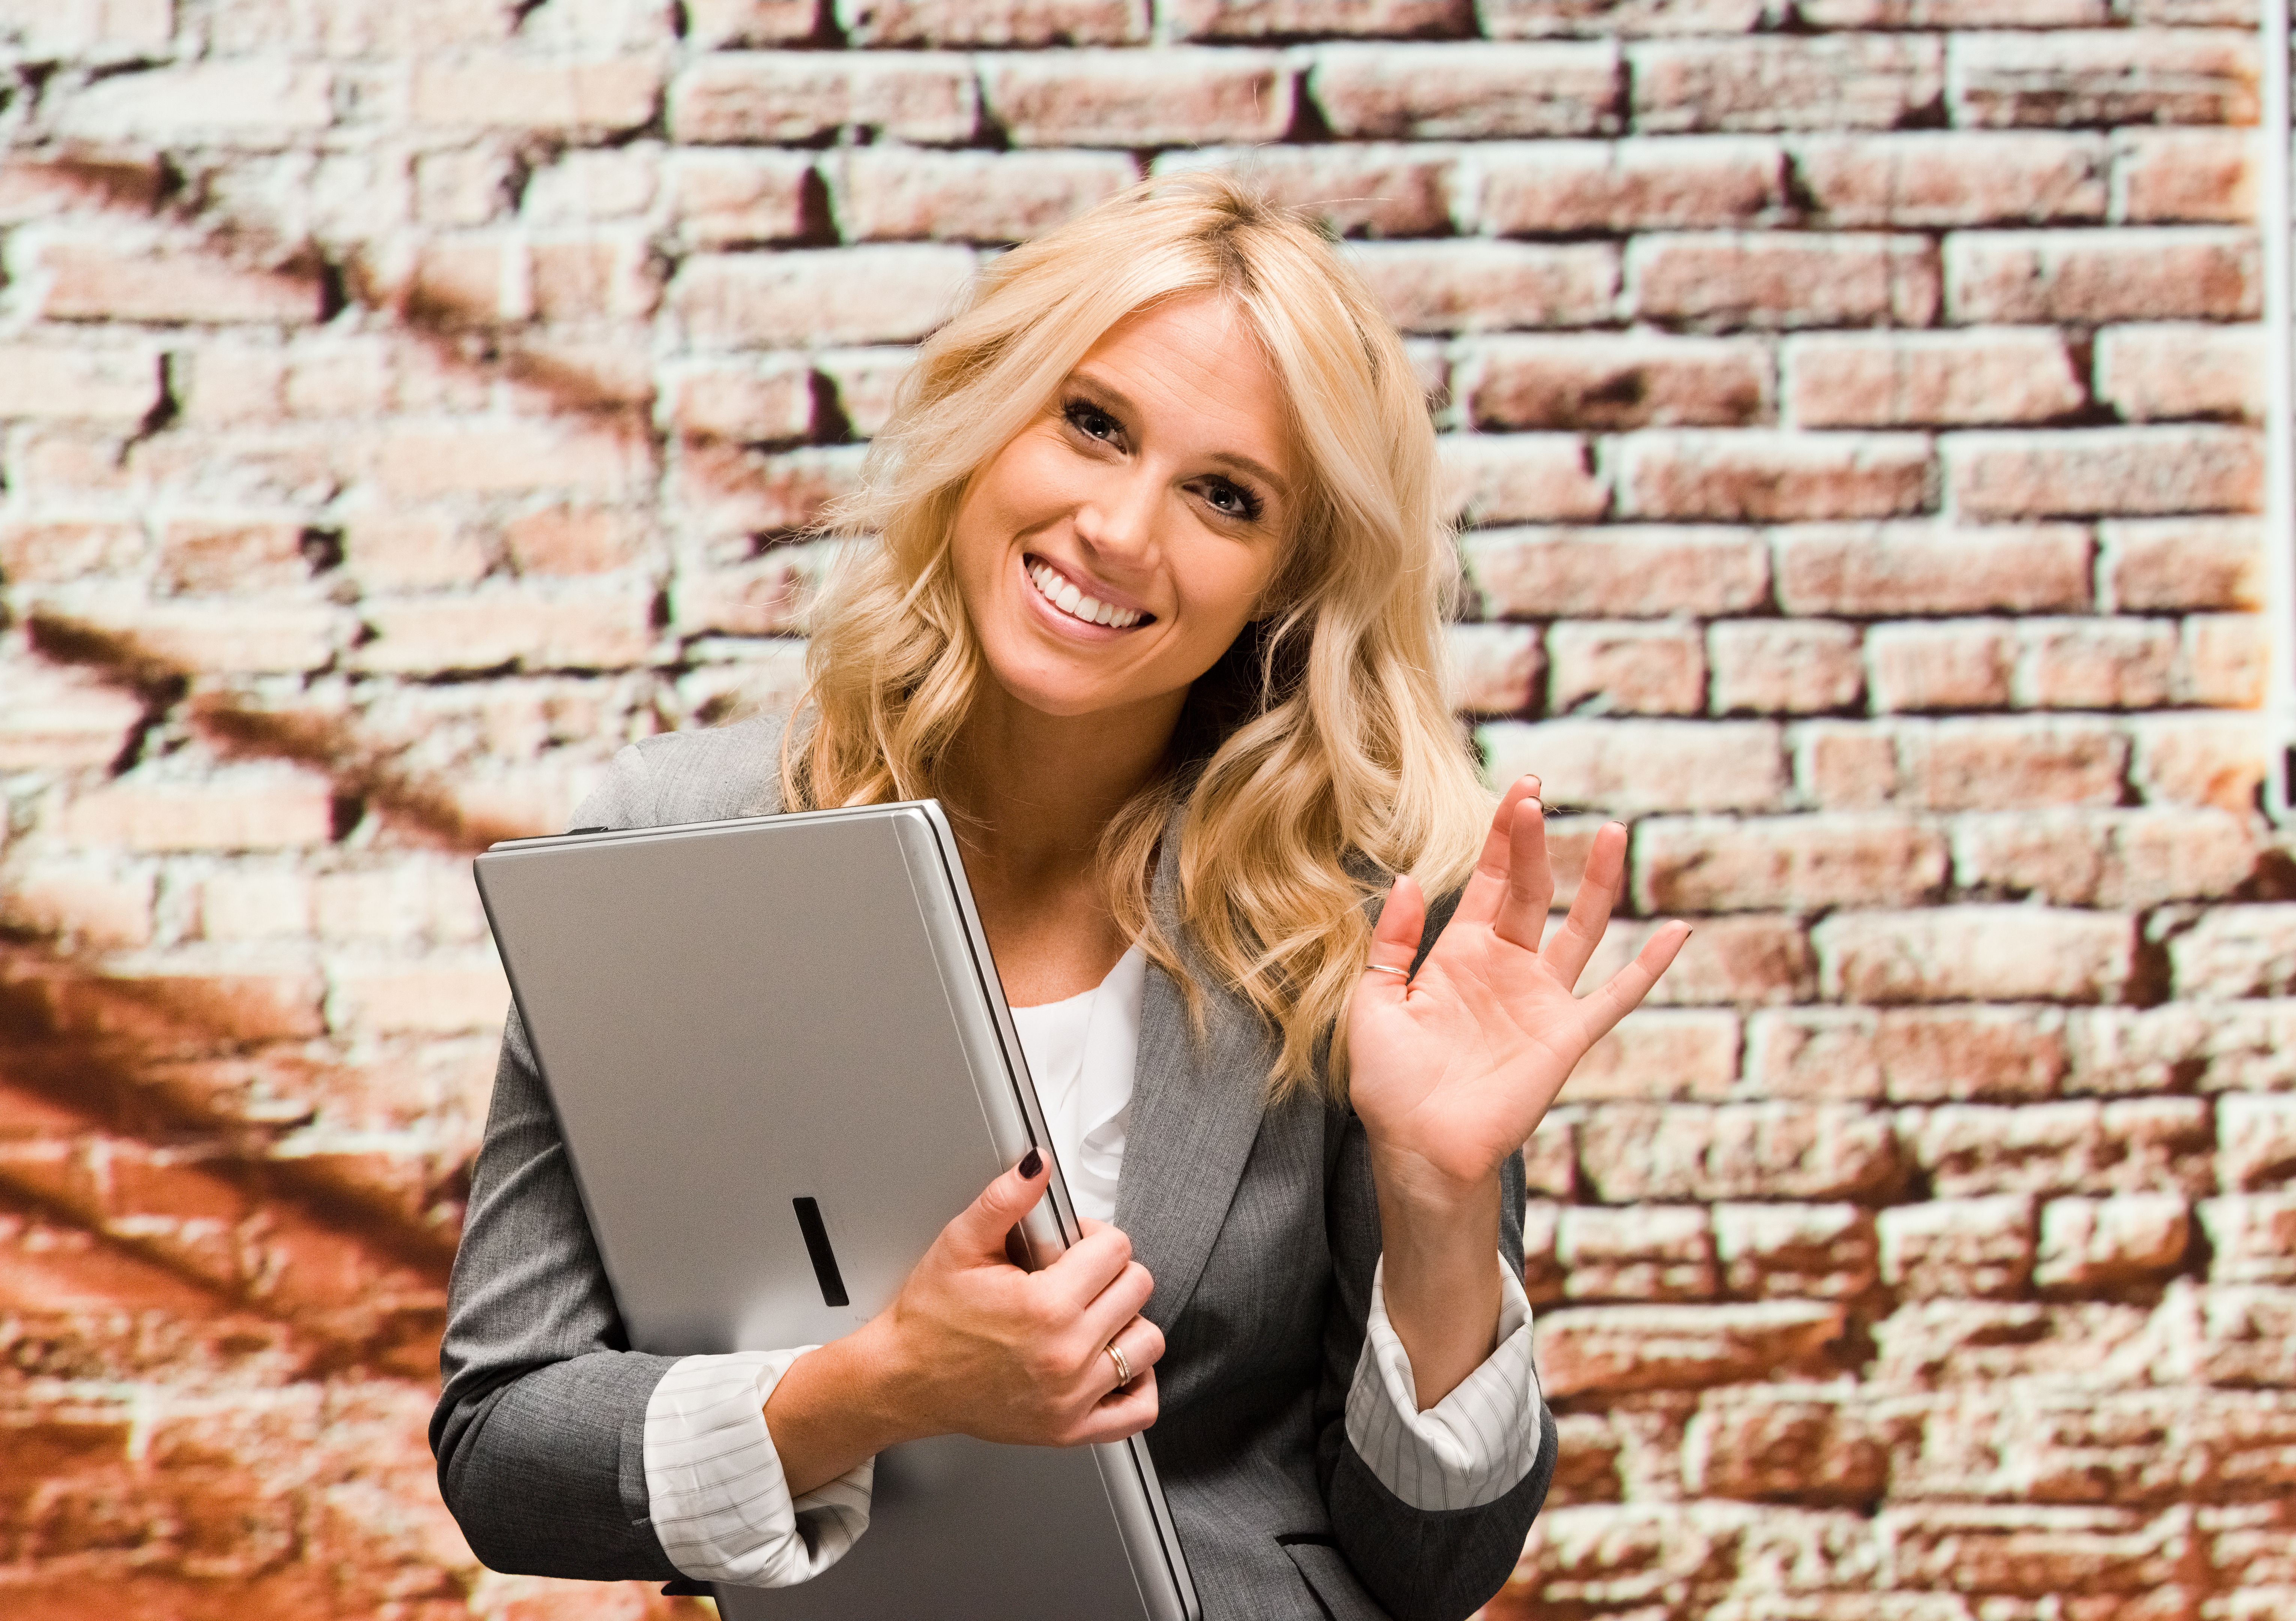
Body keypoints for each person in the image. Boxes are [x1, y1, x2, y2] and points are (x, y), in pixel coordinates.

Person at [431, 173, 1689, 1621]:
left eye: (1226, 496)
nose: (1121, 528)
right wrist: (876, 1388)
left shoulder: (1371, 916)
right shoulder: (670, 845)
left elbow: (1437, 1573)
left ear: (1285, 579)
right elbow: (505, 1451)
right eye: (1092, 424)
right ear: (984, 418)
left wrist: (1439, 1197)